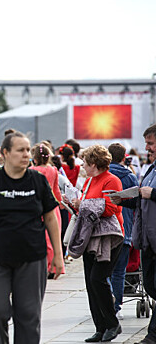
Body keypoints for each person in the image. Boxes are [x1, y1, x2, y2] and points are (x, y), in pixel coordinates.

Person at [0, 131, 63, 344]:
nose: (26, 155)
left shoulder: (38, 181)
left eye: (28, 150)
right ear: (5, 153)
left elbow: (50, 218)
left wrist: (58, 254)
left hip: (32, 258)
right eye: (20, 150)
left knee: (29, 315)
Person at [68, 145, 124, 343]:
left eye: (85, 162)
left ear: (94, 163)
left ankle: (112, 324)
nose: (82, 165)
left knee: (97, 280)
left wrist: (82, 205)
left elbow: (111, 207)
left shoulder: (111, 180)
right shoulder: (91, 180)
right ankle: (100, 327)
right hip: (91, 238)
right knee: (90, 284)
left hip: (108, 238)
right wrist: (77, 204)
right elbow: (90, 206)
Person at [110, 124, 156, 344]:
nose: (147, 148)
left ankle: (152, 336)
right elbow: (141, 200)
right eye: (146, 143)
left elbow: (150, 196)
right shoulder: (151, 169)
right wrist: (124, 200)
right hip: (147, 239)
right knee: (149, 285)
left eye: (151, 143)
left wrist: (154, 193)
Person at [107, 143, 138, 320]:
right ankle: (117, 306)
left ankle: (107, 301)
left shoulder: (103, 175)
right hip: (125, 228)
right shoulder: (130, 177)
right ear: (123, 157)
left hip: (106, 229)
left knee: (105, 270)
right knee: (119, 271)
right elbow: (136, 203)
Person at [30, 143, 64, 278]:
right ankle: (54, 266)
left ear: (35, 158)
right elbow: (56, 189)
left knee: (41, 238)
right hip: (52, 206)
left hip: (36, 206)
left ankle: (42, 266)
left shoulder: (32, 170)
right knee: (53, 238)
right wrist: (60, 202)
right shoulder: (53, 170)